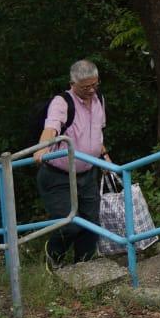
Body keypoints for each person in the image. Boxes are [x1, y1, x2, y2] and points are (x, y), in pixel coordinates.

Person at [32, 59, 110, 266]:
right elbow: (52, 128)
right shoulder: (62, 102)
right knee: (69, 225)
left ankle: (83, 267)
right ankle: (53, 256)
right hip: (58, 176)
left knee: (92, 225)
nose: (92, 90)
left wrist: (105, 156)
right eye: (86, 87)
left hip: (87, 174)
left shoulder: (99, 99)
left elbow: (96, 133)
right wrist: (42, 148)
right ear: (73, 83)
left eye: (95, 84)